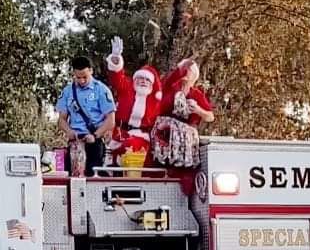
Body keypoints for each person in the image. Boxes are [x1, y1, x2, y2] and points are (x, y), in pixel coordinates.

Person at [147, 58, 215, 195]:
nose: (185, 73)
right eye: (184, 70)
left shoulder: (197, 94)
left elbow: (210, 116)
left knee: (184, 168)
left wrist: (197, 110)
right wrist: (183, 66)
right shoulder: (170, 87)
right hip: (164, 134)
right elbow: (172, 77)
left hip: (184, 140)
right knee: (157, 162)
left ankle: (184, 190)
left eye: (188, 71)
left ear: (194, 76)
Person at [104, 36, 163, 167]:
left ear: (152, 85)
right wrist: (116, 58)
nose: (143, 81)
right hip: (119, 133)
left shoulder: (156, 100)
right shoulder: (127, 88)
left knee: (130, 149)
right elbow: (116, 77)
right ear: (134, 80)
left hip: (141, 138)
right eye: (140, 78)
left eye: (147, 80)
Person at [56, 55, 116, 177]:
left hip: (94, 141)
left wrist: (95, 135)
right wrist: (69, 131)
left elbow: (111, 120)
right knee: (73, 177)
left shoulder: (101, 90)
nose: (81, 81)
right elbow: (61, 120)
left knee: (92, 177)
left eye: (85, 77)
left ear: (91, 71)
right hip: (75, 142)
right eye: (78, 77)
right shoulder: (68, 91)